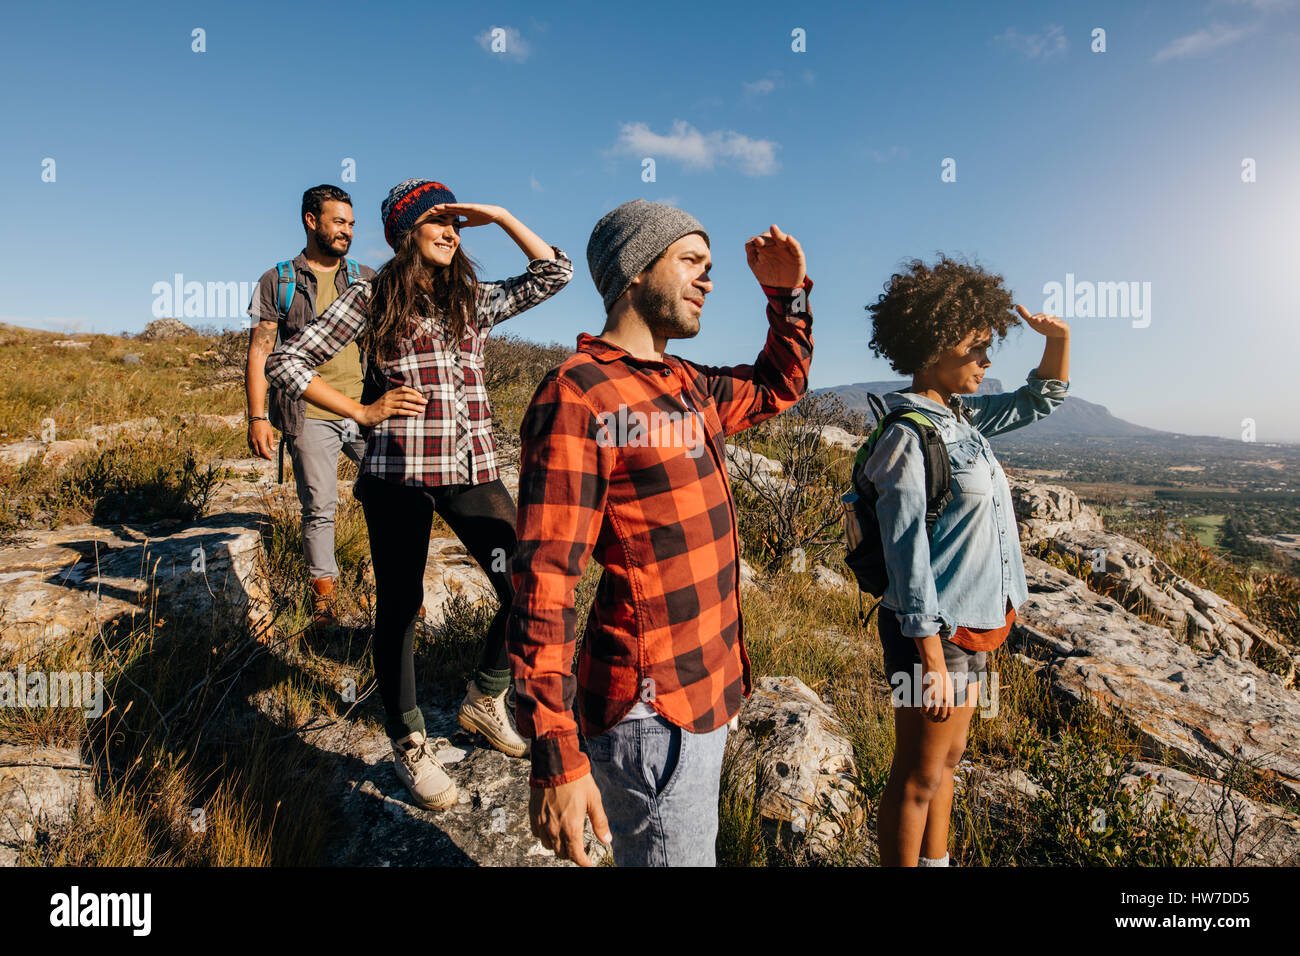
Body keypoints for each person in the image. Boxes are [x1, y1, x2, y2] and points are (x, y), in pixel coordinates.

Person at [509, 200, 814, 866]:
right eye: (690, 262)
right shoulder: (581, 394)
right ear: (634, 272)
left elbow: (777, 386)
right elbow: (545, 579)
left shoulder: (687, 386)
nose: (707, 279)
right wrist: (557, 753)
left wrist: (788, 296)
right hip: (655, 717)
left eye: (709, 265)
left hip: (709, 689)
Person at [265, 179, 572, 810]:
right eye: (437, 220)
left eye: (456, 223)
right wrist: (360, 408)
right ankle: (408, 742)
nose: (451, 232)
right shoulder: (371, 296)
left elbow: (554, 272)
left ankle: (485, 699)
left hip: (471, 469)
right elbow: (286, 363)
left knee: (528, 583)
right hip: (398, 474)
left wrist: (498, 211)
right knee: (401, 605)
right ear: (405, 232)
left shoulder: (472, 300)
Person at [862, 256, 1070, 866]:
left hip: (976, 624)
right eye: (976, 348)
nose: (986, 361)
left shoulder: (963, 418)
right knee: (918, 775)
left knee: (948, 764)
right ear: (933, 344)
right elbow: (906, 552)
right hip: (935, 632)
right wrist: (927, 650)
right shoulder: (908, 434)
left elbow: (1041, 399)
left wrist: (1058, 340)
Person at [246, 185, 377, 628]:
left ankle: (390, 587)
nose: (347, 231)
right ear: (310, 220)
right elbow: (262, 350)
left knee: (393, 495)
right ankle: (325, 604)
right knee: (320, 507)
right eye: (339, 222)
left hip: (365, 411)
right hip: (308, 414)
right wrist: (257, 416)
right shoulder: (279, 280)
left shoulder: (367, 278)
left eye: (352, 224)